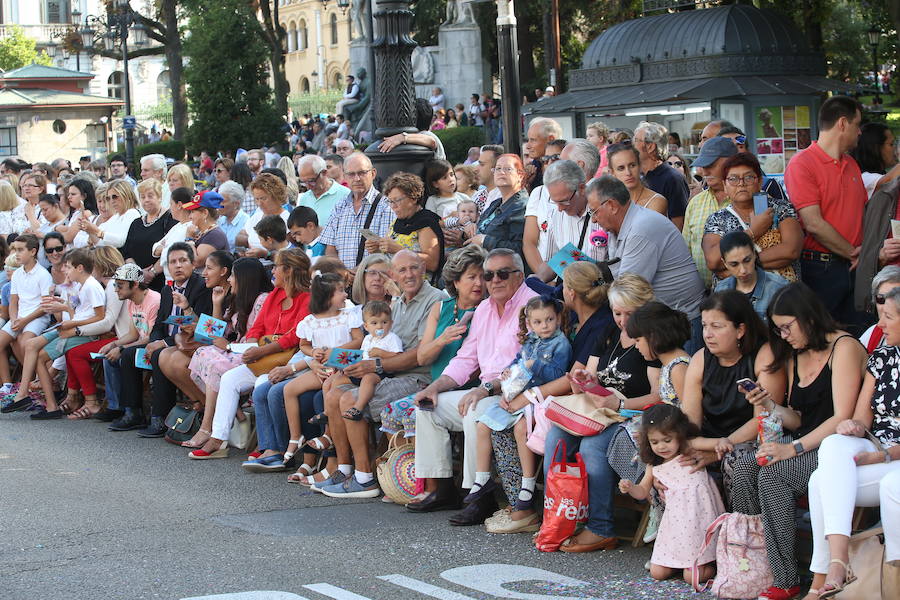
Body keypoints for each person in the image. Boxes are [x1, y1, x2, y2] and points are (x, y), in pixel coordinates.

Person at [725, 283, 867, 600]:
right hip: (806, 438)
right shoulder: (796, 355)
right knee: (746, 465)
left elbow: (840, 416)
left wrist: (792, 449)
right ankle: (754, 563)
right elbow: (799, 418)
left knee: (775, 475)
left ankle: (786, 577)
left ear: (808, 318)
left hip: (836, 445)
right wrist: (769, 405)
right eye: (778, 330)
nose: (784, 336)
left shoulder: (843, 347)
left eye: (787, 327)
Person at [410, 249, 535, 520]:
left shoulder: (532, 305)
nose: (494, 281)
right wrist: (436, 387)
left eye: (503, 274)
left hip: (517, 394)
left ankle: (478, 495)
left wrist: (487, 388)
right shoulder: (484, 310)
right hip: (488, 391)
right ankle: (443, 489)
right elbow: (466, 359)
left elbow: (529, 365)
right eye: (489, 275)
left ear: (520, 276)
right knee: (428, 407)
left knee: (474, 409)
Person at [314, 250, 447, 498]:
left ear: (424, 269)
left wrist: (375, 366)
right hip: (391, 374)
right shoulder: (398, 303)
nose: (408, 275)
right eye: (402, 270)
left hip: (420, 377)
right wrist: (344, 361)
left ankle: (365, 478)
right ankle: (344, 469)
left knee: (349, 399)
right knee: (334, 392)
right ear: (393, 276)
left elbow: (419, 354)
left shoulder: (434, 300)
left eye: (414, 268)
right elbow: (380, 345)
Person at [803, 284, 900, 600]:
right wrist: (852, 426)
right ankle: (836, 562)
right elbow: (862, 419)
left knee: (820, 482)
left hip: (892, 457)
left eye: (887, 317)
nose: (879, 326)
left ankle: (831, 581)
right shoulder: (883, 357)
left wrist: (883, 456)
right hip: (879, 448)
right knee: (833, 446)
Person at [187, 248, 311, 459]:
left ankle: (266, 446)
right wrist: (252, 346)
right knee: (228, 378)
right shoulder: (273, 295)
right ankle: (218, 438)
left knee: (261, 384)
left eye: (277, 268)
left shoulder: (306, 299)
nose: (272, 272)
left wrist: (258, 350)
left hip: (286, 360)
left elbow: (293, 337)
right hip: (261, 357)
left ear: (288, 271)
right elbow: (256, 328)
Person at [470, 296, 572, 533]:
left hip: (540, 399)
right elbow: (517, 361)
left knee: (520, 429)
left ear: (557, 318)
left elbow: (557, 373)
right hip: (519, 394)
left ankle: (527, 485)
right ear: (529, 323)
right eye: (538, 322)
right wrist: (508, 372)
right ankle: (482, 478)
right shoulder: (531, 341)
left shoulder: (561, 343)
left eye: (549, 319)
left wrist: (533, 365)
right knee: (483, 425)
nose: (545, 325)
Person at [681, 290, 785, 503]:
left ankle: (739, 529)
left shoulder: (764, 356)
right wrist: (693, 444)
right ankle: (686, 531)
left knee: (735, 460)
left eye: (717, 326)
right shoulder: (701, 358)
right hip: (712, 439)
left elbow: (762, 421)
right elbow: (690, 422)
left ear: (740, 330)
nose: (707, 334)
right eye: (704, 325)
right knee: (672, 453)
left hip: (751, 441)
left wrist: (718, 450)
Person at [379, 245, 485, 445]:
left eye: (482, 276)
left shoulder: (486, 311)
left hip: (461, 389)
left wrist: (443, 386)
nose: (479, 283)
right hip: (435, 387)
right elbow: (422, 357)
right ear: (456, 280)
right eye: (472, 277)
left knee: (414, 415)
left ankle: (431, 476)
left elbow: (478, 366)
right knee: (391, 413)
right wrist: (442, 340)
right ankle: (404, 472)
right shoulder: (441, 307)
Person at [587, 175, 705, 349]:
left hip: (681, 324)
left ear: (611, 205)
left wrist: (587, 289)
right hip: (664, 319)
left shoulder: (641, 228)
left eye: (594, 211)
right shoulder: (621, 226)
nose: (593, 219)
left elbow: (627, 293)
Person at [107, 243, 213, 433]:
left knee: (158, 355)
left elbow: (202, 329)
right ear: (168, 267)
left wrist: (162, 343)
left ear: (193, 264)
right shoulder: (166, 290)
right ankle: (133, 412)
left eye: (183, 261)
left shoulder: (202, 287)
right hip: (167, 342)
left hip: (189, 343)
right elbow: (159, 325)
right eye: (173, 262)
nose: (178, 266)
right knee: (129, 354)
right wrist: (156, 340)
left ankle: (160, 417)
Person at [619, 404, 724, 583]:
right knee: (657, 573)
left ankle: (710, 564)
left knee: (693, 578)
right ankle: (681, 562)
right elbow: (642, 491)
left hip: (699, 517)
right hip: (674, 523)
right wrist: (630, 488)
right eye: (655, 442)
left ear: (680, 434)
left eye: (667, 440)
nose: (661, 447)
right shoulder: (654, 464)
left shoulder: (688, 446)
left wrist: (722, 443)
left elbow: (717, 442)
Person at [785, 96, 866, 328]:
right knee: (822, 339)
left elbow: (862, 213)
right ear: (842, 123)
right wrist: (854, 253)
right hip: (821, 268)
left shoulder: (851, 164)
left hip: (854, 266)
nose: (860, 132)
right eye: (857, 124)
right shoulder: (802, 163)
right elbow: (813, 223)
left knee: (862, 335)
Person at [178, 258, 271, 449]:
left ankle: (207, 427)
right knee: (202, 352)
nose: (230, 280)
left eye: (233, 276)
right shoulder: (236, 298)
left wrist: (228, 346)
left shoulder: (262, 299)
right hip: (236, 351)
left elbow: (258, 340)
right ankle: (229, 409)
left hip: (252, 355)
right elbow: (210, 335)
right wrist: (217, 304)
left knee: (212, 362)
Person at [9, 248, 105, 420]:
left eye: (68, 267)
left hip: (81, 332)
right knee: (31, 345)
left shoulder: (92, 286)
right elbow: (76, 310)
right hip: (68, 327)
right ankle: (23, 394)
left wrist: (67, 312)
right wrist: (61, 304)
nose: (64, 270)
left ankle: (48, 405)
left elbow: (99, 317)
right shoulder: (80, 285)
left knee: (39, 357)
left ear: (80, 268)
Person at [279, 273, 364, 465]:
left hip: (344, 364)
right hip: (323, 367)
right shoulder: (311, 321)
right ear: (326, 296)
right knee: (289, 389)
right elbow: (304, 345)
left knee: (329, 388)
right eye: (340, 291)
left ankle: (327, 434)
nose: (345, 295)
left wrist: (335, 351)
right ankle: (295, 437)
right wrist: (314, 351)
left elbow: (359, 341)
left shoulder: (348, 316)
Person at [71, 263, 159, 419]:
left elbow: (150, 338)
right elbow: (133, 333)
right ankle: (115, 407)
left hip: (153, 346)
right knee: (108, 356)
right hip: (141, 344)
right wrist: (113, 344)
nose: (116, 289)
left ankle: (132, 413)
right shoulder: (132, 300)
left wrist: (122, 348)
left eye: (120, 285)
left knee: (124, 355)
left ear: (135, 284)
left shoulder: (153, 301)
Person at [703, 152, 803, 283]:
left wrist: (734, 267)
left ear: (760, 181)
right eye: (733, 179)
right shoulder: (717, 219)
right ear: (724, 185)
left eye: (749, 177)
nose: (741, 184)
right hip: (736, 300)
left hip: (782, 298)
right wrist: (753, 231)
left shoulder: (780, 208)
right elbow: (713, 261)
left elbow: (791, 251)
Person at [525, 157, 607, 281]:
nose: (560, 208)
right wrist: (538, 279)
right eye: (555, 202)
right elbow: (550, 261)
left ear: (581, 188)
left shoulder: (603, 211)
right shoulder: (555, 215)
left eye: (564, 201)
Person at [325, 300, 403, 421]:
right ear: (366, 326)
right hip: (363, 370)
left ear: (391, 323)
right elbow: (362, 356)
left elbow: (398, 357)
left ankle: (358, 407)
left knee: (368, 379)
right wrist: (346, 366)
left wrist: (382, 353)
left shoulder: (392, 338)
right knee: (338, 379)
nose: (379, 326)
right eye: (374, 323)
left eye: (384, 322)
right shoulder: (367, 339)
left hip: (381, 372)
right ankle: (327, 411)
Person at [680, 137, 738, 288]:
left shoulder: (750, 200)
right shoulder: (695, 203)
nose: (705, 171)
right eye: (703, 165)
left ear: (731, 162)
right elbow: (686, 252)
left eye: (711, 164)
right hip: (703, 294)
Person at [320, 153, 394, 269]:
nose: (357, 178)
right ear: (344, 176)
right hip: (344, 282)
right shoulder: (339, 206)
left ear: (373, 173)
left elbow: (389, 251)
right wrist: (342, 273)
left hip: (373, 280)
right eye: (351, 174)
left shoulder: (386, 206)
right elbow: (330, 248)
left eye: (362, 173)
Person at [0, 236, 53, 395]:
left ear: (33, 251)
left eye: (20, 250)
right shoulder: (17, 275)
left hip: (37, 317)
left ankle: (33, 384)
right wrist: (15, 318)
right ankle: (8, 385)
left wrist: (24, 321)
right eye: (15, 249)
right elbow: (14, 301)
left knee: (24, 342)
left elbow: (45, 306)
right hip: (19, 317)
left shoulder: (43, 275)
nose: (16, 253)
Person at [366, 172, 443, 277]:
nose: (393, 206)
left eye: (397, 200)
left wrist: (398, 249)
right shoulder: (396, 222)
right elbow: (391, 257)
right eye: (390, 201)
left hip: (421, 287)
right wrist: (377, 249)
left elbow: (432, 263)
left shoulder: (426, 223)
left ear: (414, 198)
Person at [714, 231, 789, 319]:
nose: (743, 270)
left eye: (747, 260)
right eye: (734, 264)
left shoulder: (778, 287)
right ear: (725, 263)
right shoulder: (721, 290)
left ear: (754, 254)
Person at [121, 178, 177, 291]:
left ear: (160, 197)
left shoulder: (170, 220)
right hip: (137, 282)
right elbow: (126, 252)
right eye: (142, 197)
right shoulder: (136, 223)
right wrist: (138, 273)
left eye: (150, 196)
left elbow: (171, 251)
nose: (146, 200)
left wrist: (152, 272)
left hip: (161, 281)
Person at [467, 154, 527, 257]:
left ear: (520, 175)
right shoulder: (495, 203)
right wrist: (472, 228)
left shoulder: (522, 207)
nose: (501, 172)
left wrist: (484, 240)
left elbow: (519, 248)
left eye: (508, 169)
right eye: (498, 169)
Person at [633, 121, 690, 230]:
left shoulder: (672, 179)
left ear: (650, 147)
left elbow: (678, 225)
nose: (632, 146)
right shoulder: (637, 176)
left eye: (636, 140)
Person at [607, 142, 667, 216]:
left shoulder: (656, 201)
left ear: (640, 166)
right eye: (621, 168)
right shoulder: (610, 202)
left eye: (632, 165)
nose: (628, 173)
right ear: (612, 173)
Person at [241, 173, 291, 258]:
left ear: (276, 196)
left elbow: (290, 254)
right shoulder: (257, 215)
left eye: (263, 198)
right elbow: (241, 234)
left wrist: (266, 254)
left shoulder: (286, 219)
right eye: (257, 199)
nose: (259, 203)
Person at [82, 180, 140, 249]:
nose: (112, 201)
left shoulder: (132, 213)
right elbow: (100, 243)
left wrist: (96, 231)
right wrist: (89, 230)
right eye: (109, 198)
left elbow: (121, 241)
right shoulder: (117, 216)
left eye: (114, 197)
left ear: (125, 195)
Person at [297, 154, 350, 226]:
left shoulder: (345, 195)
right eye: (303, 182)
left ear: (324, 172)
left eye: (311, 181)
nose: (308, 187)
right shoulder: (304, 198)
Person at [182, 191, 228, 268]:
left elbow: (197, 262)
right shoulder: (204, 232)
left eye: (192, 212)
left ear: (205, 213)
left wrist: (189, 239)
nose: (190, 216)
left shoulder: (215, 235)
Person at [522, 118, 563, 191]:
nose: (528, 146)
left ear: (551, 139)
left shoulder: (566, 165)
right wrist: (527, 184)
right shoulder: (534, 166)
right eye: (528, 140)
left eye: (533, 140)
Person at [216, 181, 250, 254]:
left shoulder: (247, 223)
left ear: (236, 204)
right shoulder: (219, 221)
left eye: (223, 201)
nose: (219, 204)